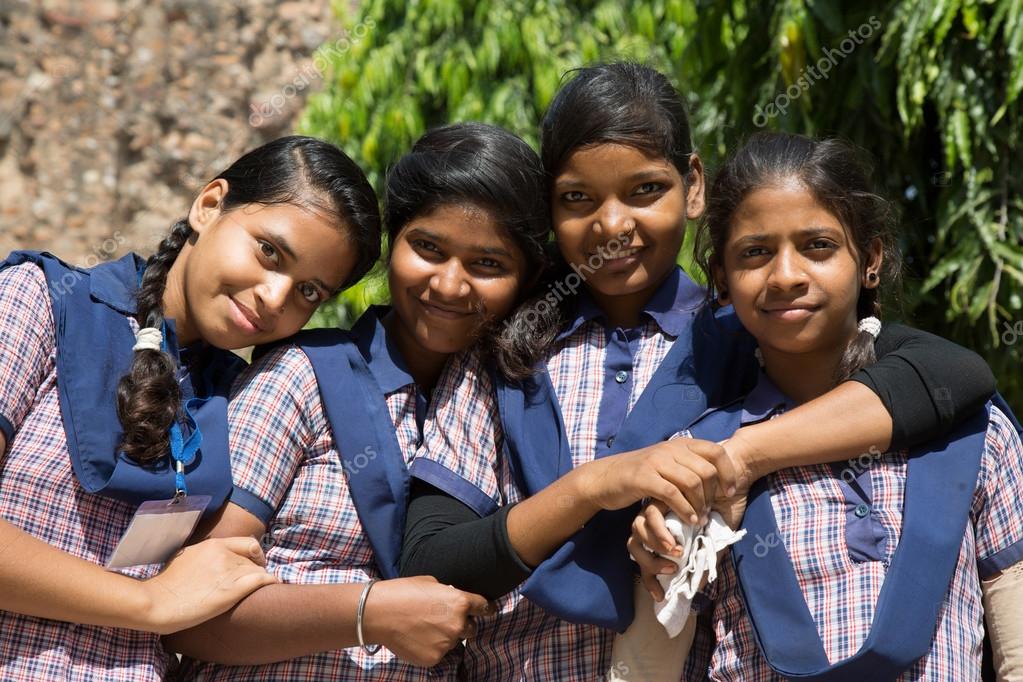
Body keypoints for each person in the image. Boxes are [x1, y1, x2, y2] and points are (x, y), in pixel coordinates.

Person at [399, 63, 999, 681]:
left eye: (644, 190)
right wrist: (596, 484)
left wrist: (741, 455)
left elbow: (949, 374)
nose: (611, 225)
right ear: (548, 209)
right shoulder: (505, 353)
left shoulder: (753, 336)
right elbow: (431, 558)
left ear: (692, 186)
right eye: (577, 198)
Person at [630, 131, 1023, 681]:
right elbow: (662, 651)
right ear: (720, 276)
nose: (786, 276)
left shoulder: (976, 433)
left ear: (871, 260)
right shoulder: (697, 461)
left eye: (818, 246)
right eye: (755, 253)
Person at [166, 123, 551, 681]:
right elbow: (190, 616)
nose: (448, 284)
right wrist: (368, 613)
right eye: (428, 248)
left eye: (487, 264)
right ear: (393, 244)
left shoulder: (515, 406)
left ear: (526, 279)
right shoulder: (303, 378)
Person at [0, 135, 381, 681]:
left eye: (310, 292)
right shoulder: (38, 302)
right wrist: (149, 604)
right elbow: (169, 601)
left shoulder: (244, 398)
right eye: (269, 251)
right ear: (208, 206)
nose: (275, 297)